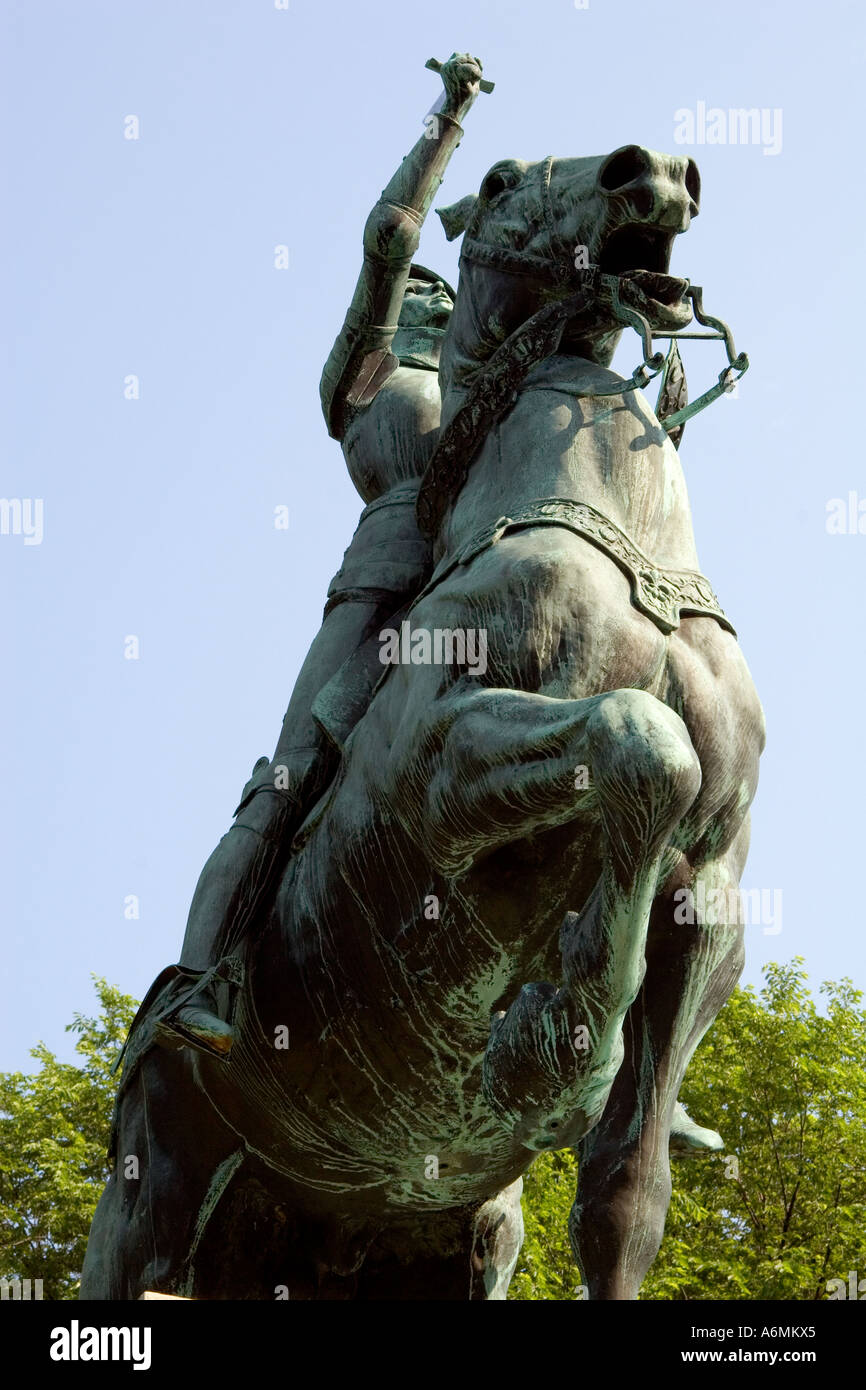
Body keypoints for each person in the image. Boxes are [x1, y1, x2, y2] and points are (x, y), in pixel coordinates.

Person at [158, 53, 486, 1057]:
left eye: (446, 298)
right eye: (422, 296)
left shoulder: (484, 396)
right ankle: (202, 982)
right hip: (380, 599)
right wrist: (445, 126)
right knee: (288, 777)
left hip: (474, 598)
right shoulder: (365, 376)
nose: (435, 303)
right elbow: (389, 239)